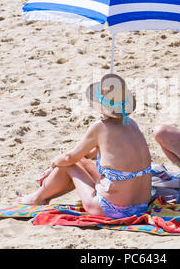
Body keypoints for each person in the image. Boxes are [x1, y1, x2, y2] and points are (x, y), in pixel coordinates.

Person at [17, 74, 152, 219]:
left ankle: (37, 198)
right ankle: (42, 196)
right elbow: (87, 155)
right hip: (141, 205)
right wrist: (67, 159)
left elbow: (69, 158)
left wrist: (54, 163)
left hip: (111, 210)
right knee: (80, 162)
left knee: (68, 164)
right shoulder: (131, 124)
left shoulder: (100, 128)